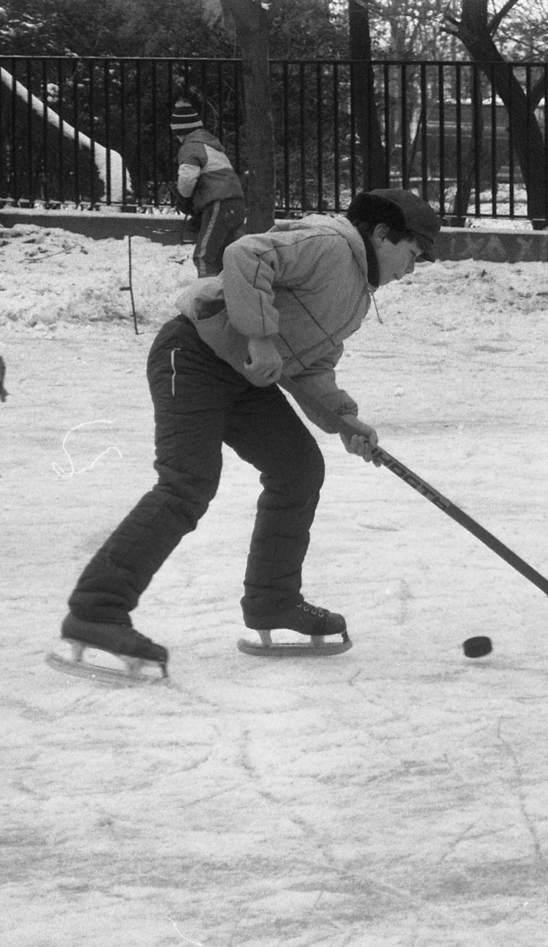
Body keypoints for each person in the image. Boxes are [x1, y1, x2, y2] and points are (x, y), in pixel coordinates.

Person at [54, 188, 441, 682]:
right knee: (188, 484)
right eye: (413, 254)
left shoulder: (357, 298)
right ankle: (95, 610)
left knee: (298, 468)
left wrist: (344, 420)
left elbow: (311, 367)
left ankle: (273, 601)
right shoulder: (328, 244)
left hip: (242, 378)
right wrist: (258, 335)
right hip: (192, 355)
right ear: (383, 234)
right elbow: (246, 254)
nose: (413, 269)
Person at [171, 97, 247, 278]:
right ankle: (231, 298)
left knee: (204, 257)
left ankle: (208, 301)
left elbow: (187, 180)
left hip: (219, 204)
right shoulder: (213, 146)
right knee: (227, 256)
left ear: (181, 132)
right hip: (236, 204)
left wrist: (183, 196)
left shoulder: (191, 147)